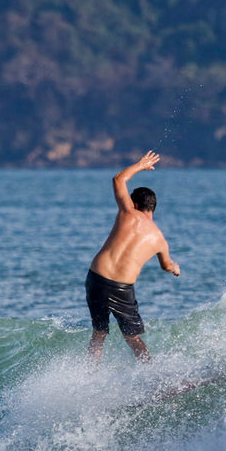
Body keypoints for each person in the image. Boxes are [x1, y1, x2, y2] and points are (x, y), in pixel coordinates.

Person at [86, 150, 180, 361]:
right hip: (121, 288)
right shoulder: (159, 239)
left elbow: (118, 178)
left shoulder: (127, 212)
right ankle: (151, 374)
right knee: (133, 338)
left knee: (99, 333)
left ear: (135, 203)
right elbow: (167, 266)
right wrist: (176, 267)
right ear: (152, 208)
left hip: (96, 278)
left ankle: (89, 375)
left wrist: (141, 165)